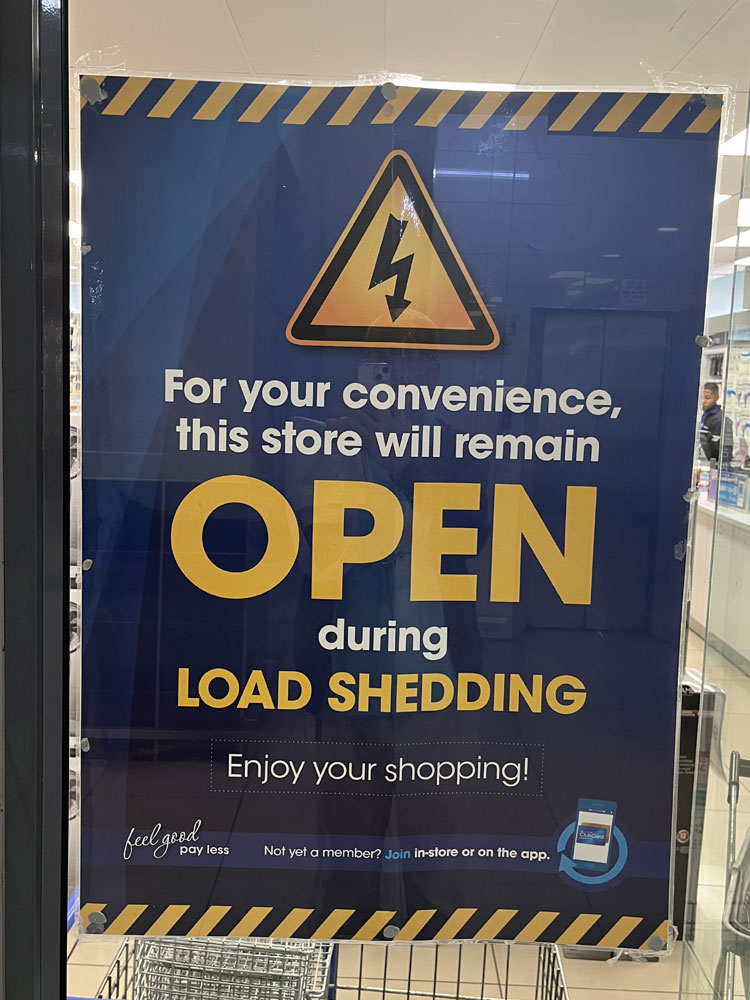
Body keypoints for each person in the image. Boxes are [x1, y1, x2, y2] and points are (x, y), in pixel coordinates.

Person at [700, 381, 733, 464]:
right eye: (701, 397)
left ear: (717, 398)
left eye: (707, 398)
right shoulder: (704, 414)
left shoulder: (719, 419)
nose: (703, 401)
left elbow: (716, 450)